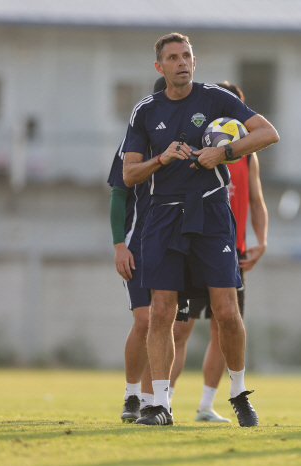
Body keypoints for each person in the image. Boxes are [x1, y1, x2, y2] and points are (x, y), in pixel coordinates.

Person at [122, 32, 279, 426]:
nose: (182, 63)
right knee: (163, 312)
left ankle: (239, 393)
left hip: (211, 216)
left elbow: (268, 133)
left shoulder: (216, 99)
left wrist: (223, 152)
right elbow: (128, 175)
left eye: (187, 56)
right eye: (173, 57)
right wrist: (161, 159)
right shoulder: (145, 111)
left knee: (227, 311)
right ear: (160, 67)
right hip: (163, 217)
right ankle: (159, 405)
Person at [170, 81, 268, 423]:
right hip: (193, 245)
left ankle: (206, 406)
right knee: (179, 328)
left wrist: (262, 240)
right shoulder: (196, 146)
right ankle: (162, 400)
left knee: (224, 325)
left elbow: (256, 200)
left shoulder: (247, 155)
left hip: (231, 250)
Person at [109, 77, 169, 423]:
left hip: (177, 240)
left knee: (168, 322)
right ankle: (132, 395)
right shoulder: (136, 138)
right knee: (145, 319)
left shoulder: (195, 138)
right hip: (140, 241)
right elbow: (119, 194)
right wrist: (120, 245)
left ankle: (155, 401)